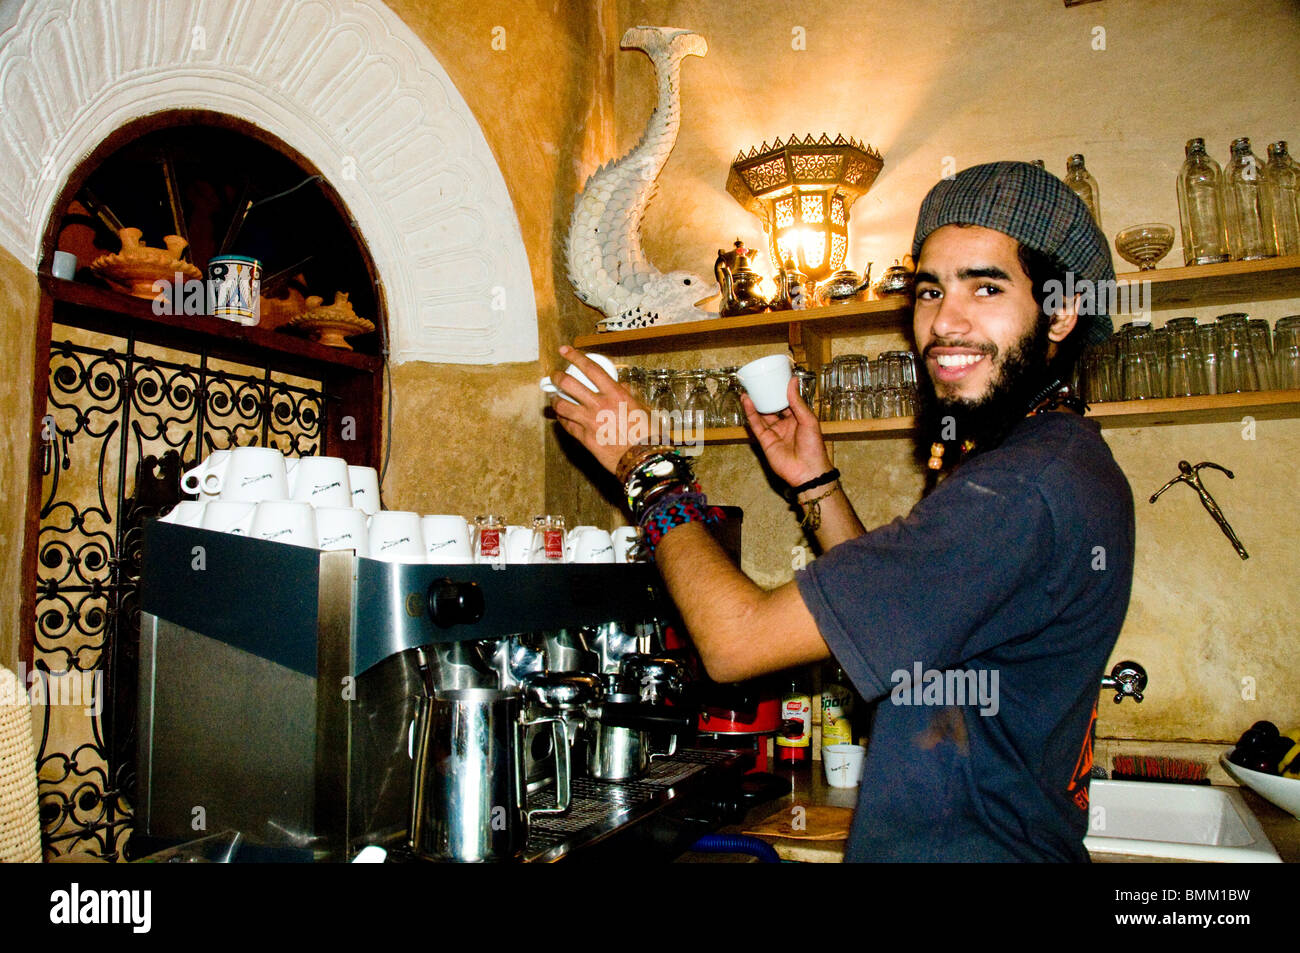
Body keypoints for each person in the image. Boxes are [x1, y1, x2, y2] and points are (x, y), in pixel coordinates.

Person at [549, 161, 1135, 862]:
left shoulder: (1018, 491)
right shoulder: (1058, 459)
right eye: (929, 290)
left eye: (986, 287)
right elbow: (900, 621)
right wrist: (814, 484)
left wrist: (647, 467)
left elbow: (734, 642)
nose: (945, 322)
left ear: (1063, 309)